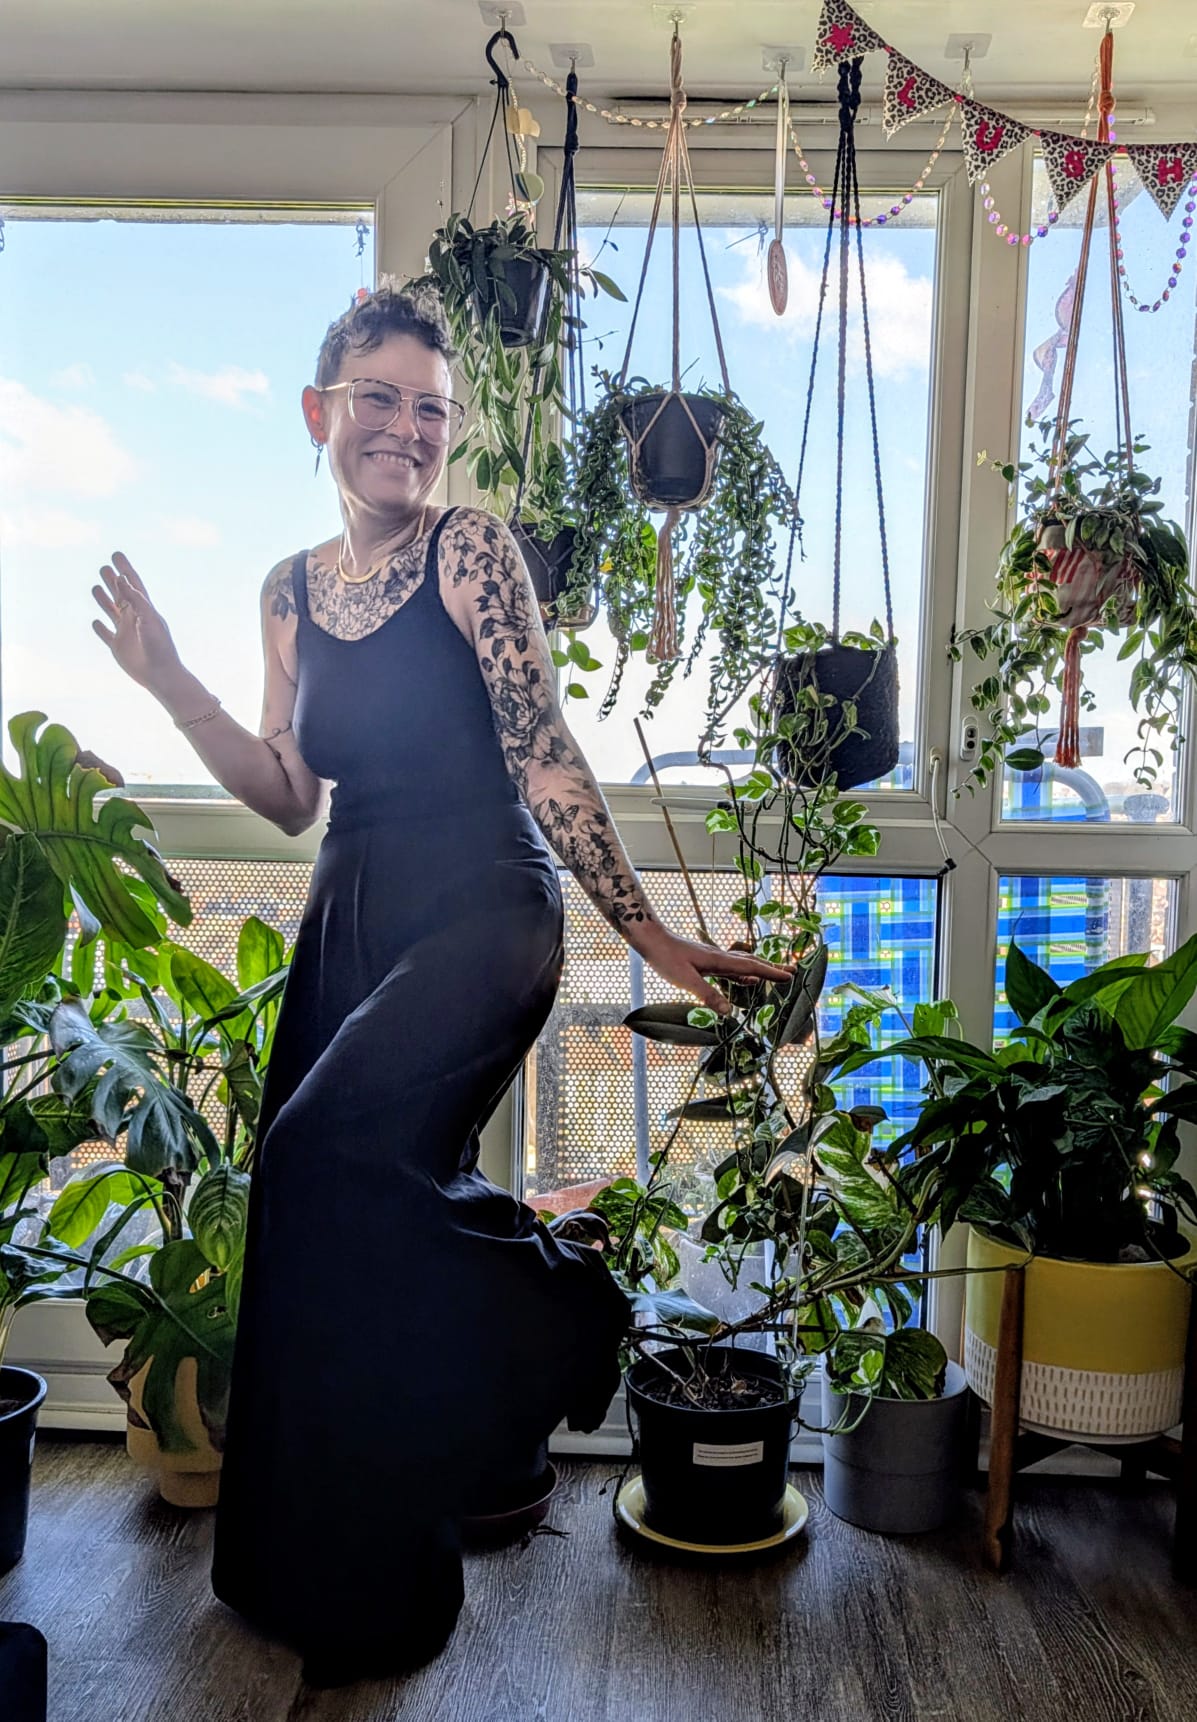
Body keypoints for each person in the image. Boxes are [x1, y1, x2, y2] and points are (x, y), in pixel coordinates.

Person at [90, 282, 789, 1687]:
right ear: (320, 413)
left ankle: (564, 1295)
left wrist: (644, 936)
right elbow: (289, 790)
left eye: (430, 408)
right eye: (379, 399)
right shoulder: (288, 588)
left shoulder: (470, 550)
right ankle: (337, 1582)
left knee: (320, 1149)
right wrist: (172, 682)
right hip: (352, 906)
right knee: (309, 1224)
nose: (404, 430)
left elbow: (543, 752)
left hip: (483, 898)